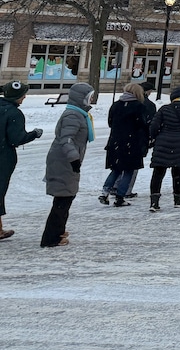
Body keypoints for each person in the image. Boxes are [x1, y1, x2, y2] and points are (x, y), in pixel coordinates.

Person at [42, 82, 94, 247]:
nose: (91, 100)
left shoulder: (78, 114)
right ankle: (51, 238)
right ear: (82, 98)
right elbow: (66, 140)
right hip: (64, 161)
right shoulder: (73, 115)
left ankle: (58, 231)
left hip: (66, 160)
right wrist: (74, 159)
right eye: (89, 97)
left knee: (66, 196)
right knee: (63, 199)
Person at [147, 86, 180, 212]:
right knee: (178, 172)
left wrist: (156, 137)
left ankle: (154, 202)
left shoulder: (164, 109)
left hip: (162, 142)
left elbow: (153, 126)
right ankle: (177, 199)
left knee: (158, 173)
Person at [99, 83, 153, 207]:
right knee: (128, 170)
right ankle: (120, 196)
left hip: (115, 141)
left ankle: (105, 191)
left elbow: (110, 122)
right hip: (132, 142)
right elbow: (142, 125)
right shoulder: (139, 106)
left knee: (116, 169)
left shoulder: (116, 105)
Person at [0, 81, 42, 239]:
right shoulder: (14, 113)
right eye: (23, 94)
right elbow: (16, 139)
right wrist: (34, 134)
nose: (25, 97)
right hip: (3, 157)